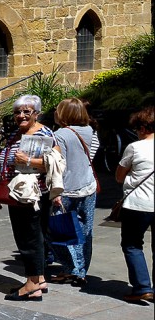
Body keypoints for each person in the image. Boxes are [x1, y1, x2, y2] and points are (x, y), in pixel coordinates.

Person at [0, 94, 59, 300]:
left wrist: (28, 160)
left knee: (28, 239)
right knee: (35, 237)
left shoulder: (43, 133)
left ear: (37, 113)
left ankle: (32, 285)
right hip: (20, 192)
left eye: (27, 111)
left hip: (30, 195)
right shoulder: (20, 132)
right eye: (17, 112)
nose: (21, 115)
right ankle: (39, 279)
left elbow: (55, 163)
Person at [50, 97, 99, 286]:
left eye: (58, 110)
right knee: (85, 231)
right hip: (88, 186)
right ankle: (82, 271)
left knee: (58, 231)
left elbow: (58, 165)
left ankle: (72, 269)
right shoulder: (89, 130)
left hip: (67, 189)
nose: (55, 113)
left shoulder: (60, 135)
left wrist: (55, 192)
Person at [116, 105, 154, 304]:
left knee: (132, 245)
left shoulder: (135, 147)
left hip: (138, 204)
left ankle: (142, 287)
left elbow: (119, 176)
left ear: (143, 128)